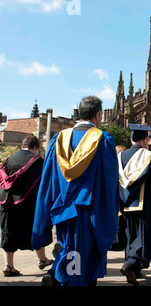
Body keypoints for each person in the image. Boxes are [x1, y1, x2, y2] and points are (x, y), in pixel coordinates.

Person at [31, 96, 120, 286]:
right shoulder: (104, 140)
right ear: (99, 115)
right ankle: (70, 279)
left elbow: (48, 181)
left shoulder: (58, 139)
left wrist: (43, 218)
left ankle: (60, 274)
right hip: (89, 212)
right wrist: (110, 216)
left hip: (63, 210)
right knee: (83, 258)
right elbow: (110, 184)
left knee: (70, 250)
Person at [117, 125, 151, 285]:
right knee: (143, 238)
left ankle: (135, 268)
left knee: (130, 237)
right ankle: (131, 264)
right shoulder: (150, 156)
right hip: (145, 205)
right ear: (144, 140)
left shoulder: (120, 157)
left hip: (126, 205)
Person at [0, 136, 53, 277]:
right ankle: (42, 260)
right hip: (30, 205)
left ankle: (8, 265)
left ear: (22, 146)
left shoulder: (8, 160)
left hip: (7, 203)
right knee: (36, 231)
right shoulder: (39, 162)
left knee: (7, 233)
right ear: (35, 147)